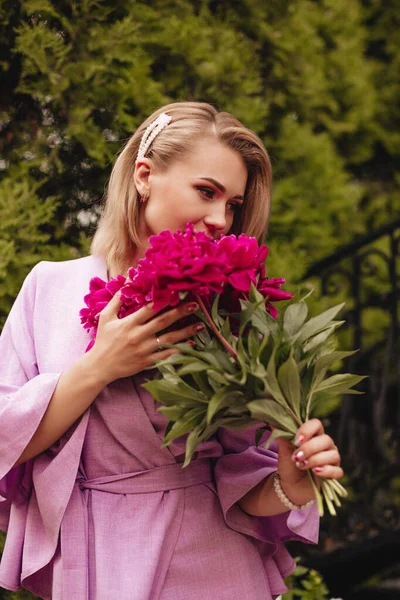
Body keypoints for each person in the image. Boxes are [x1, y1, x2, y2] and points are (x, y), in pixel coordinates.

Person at [0, 101, 343, 600]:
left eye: (232, 204)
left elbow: (240, 487)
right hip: (89, 561)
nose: (220, 218)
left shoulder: (230, 314)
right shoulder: (49, 287)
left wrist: (293, 483)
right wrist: (99, 367)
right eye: (206, 191)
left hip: (209, 564)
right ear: (144, 176)